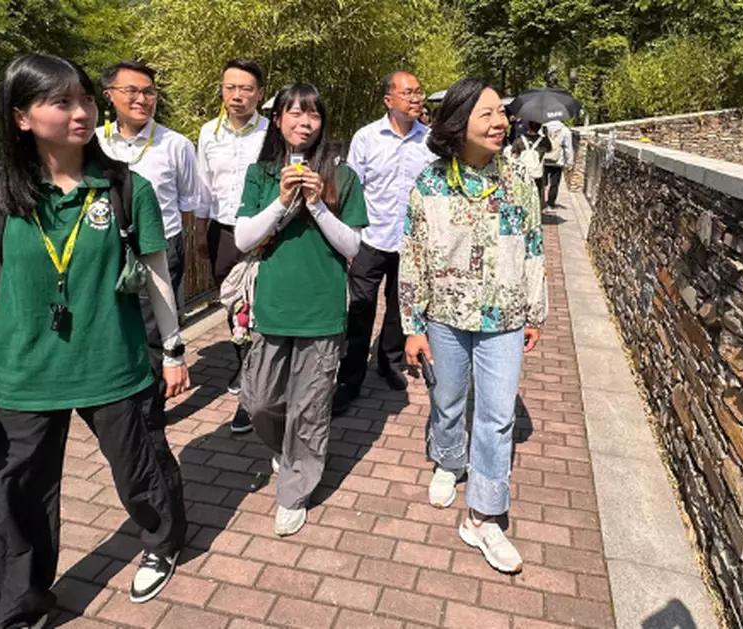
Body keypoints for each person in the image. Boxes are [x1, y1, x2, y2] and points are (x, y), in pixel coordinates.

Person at [0, 55, 190, 629]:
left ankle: (162, 539)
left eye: (84, 98)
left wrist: (175, 351)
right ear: (22, 117)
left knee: (141, 471)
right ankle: (17, 607)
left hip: (116, 365)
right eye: (61, 101)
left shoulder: (126, 187)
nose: (81, 112)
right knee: (15, 504)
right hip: (23, 378)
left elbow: (156, 276)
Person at [399, 77, 547, 575]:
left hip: (503, 317)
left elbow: (532, 249)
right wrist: (412, 325)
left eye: (500, 114)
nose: (499, 122)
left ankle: (484, 517)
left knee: (497, 416)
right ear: (459, 124)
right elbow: (412, 256)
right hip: (445, 316)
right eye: (486, 114)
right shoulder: (431, 183)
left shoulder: (520, 182)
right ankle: (447, 458)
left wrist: (534, 312)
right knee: (448, 399)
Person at [234, 83, 368, 537]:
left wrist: (316, 205)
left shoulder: (342, 176)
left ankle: (295, 489)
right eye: (294, 114)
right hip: (272, 305)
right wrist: (282, 201)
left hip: (322, 308)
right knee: (259, 400)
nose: (304, 123)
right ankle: (287, 451)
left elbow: (353, 245)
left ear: (322, 123)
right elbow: (243, 239)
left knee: (309, 409)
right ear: (278, 121)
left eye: (312, 115)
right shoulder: (261, 172)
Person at [332, 71, 435, 415]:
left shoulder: (429, 141)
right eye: (407, 93)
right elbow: (351, 188)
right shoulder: (366, 138)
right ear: (388, 100)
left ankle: (389, 363)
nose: (415, 98)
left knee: (397, 309)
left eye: (419, 92)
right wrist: (349, 237)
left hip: (410, 244)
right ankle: (350, 377)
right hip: (371, 239)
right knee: (360, 309)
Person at [194, 58, 269, 434]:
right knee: (232, 302)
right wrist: (201, 233)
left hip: (263, 233)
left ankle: (257, 379)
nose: (236, 95)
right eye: (229, 87)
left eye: (245, 88)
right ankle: (245, 359)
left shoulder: (272, 132)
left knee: (262, 302)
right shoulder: (209, 132)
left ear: (260, 93)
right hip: (223, 231)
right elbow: (203, 185)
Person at [98, 60, 201, 298]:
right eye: (132, 91)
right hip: (103, 249)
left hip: (160, 248)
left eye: (149, 92)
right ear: (109, 95)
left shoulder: (177, 145)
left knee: (153, 325)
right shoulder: (94, 142)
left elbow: (186, 205)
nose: (142, 100)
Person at [540, 118, 574, 210]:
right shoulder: (565, 130)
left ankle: (541, 202)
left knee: (542, 183)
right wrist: (569, 162)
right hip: (558, 161)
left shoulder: (543, 127)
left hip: (544, 160)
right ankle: (550, 204)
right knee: (554, 184)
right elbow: (568, 149)